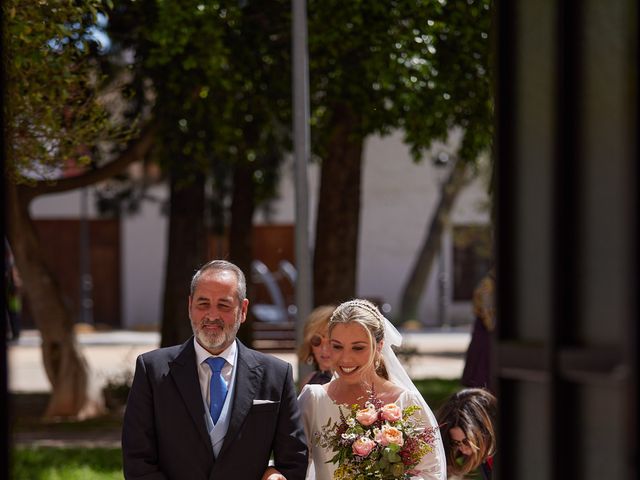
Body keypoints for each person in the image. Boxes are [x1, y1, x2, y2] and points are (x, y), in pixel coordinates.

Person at [122, 259, 308, 480]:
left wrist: (276, 475)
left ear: (243, 310)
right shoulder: (152, 371)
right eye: (203, 304)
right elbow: (137, 460)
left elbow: (294, 460)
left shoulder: (276, 374)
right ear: (190, 306)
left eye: (224, 305)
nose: (212, 315)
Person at [296, 299, 447, 480]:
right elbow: (294, 466)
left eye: (358, 348)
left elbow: (431, 472)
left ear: (379, 346)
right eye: (337, 346)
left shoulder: (405, 402)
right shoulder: (313, 399)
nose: (346, 359)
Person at [436, 388, 496, 480]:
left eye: (467, 442)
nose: (463, 449)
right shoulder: (486, 454)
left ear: (485, 432)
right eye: (456, 443)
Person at [461, 268, 496, 390]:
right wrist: (492, 326)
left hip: (484, 326)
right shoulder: (488, 284)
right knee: (482, 359)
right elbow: (487, 308)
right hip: (485, 327)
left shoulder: (489, 282)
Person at [297, 305, 336, 388]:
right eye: (317, 340)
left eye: (331, 341)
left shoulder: (353, 383)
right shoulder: (308, 381)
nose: (324, 348)